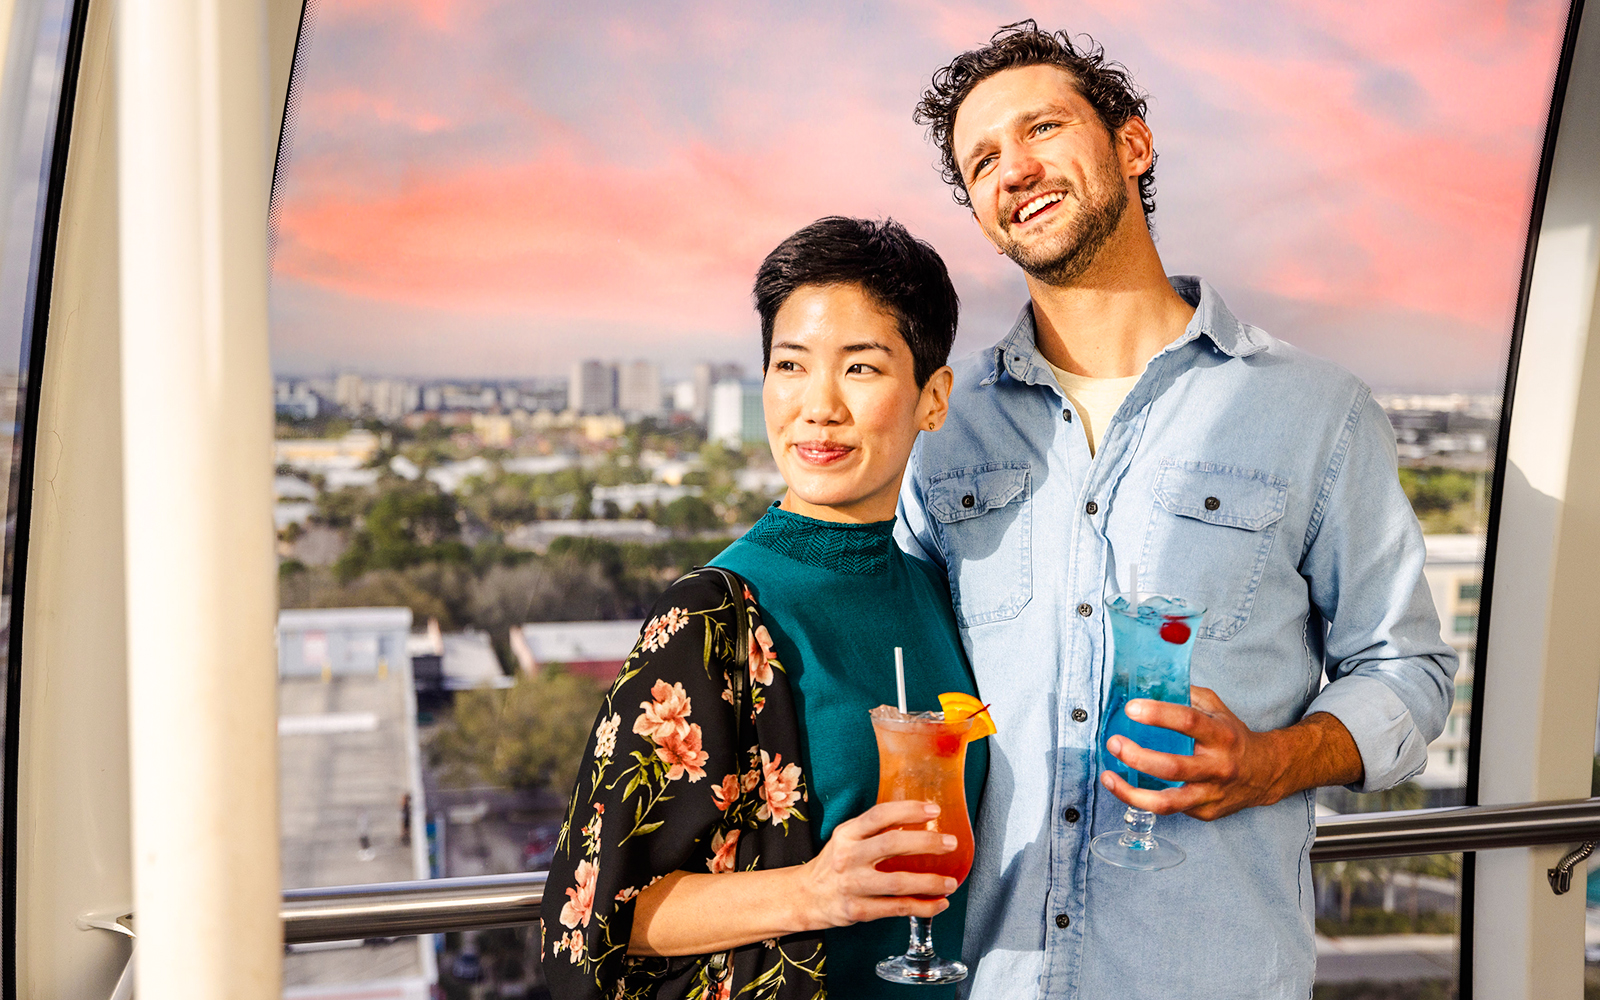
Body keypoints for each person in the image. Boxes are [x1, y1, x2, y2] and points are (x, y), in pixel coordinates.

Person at [896, 22, 1457, 998]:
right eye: (983, 158)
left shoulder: (1312, 410)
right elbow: (880, 673)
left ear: (1132, 145)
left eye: (1041, 129)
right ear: (979, 210)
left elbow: (1407, 671)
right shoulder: (940, 429)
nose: (1014, 167)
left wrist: (1272, 760)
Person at [541, 216, 988, 1000]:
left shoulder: (936, 590)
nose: (818, 407)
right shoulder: (716, 615)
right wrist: (815, 891)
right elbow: (594, 913)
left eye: (861, 368)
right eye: (790, 365)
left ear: (933, 398)